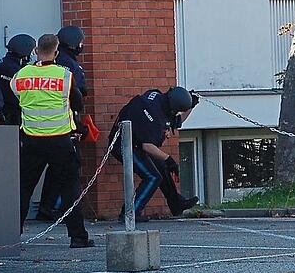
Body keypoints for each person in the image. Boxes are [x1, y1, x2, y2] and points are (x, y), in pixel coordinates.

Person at [12, 34, 94, 248]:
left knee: (23, 188)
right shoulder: (64, 76)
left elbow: (15, 97)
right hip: (60, 140)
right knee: (69, 188)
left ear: (36, 51)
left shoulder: (22, 75)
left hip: (31, 140)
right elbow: (77, 102)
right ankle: (78, 237)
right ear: (56, 53)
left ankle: (12, 235)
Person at [109, 87, 200, 221]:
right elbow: (148, 146)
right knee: (152, 177)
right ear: (174, 108)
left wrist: (190, 104)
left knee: (162, 167)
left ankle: (176, 204)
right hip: (123, 145)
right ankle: (130, 213)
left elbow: (177, 121)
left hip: (136, 142)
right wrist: (169, 159)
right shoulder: (155, 118)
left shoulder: (158, 97)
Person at [38, 25, 89, 221]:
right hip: (63, 126)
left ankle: (46, 207)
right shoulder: (70, 67)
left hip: (36, 128)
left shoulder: (42, 65)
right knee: (69, 169)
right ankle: (60, 210)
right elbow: (79, 93)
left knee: (36, 171)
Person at [0, 34, 37, 126]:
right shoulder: (16, 71)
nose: (31, 56)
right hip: (12, 116)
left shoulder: (0, 64)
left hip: (1, 114)